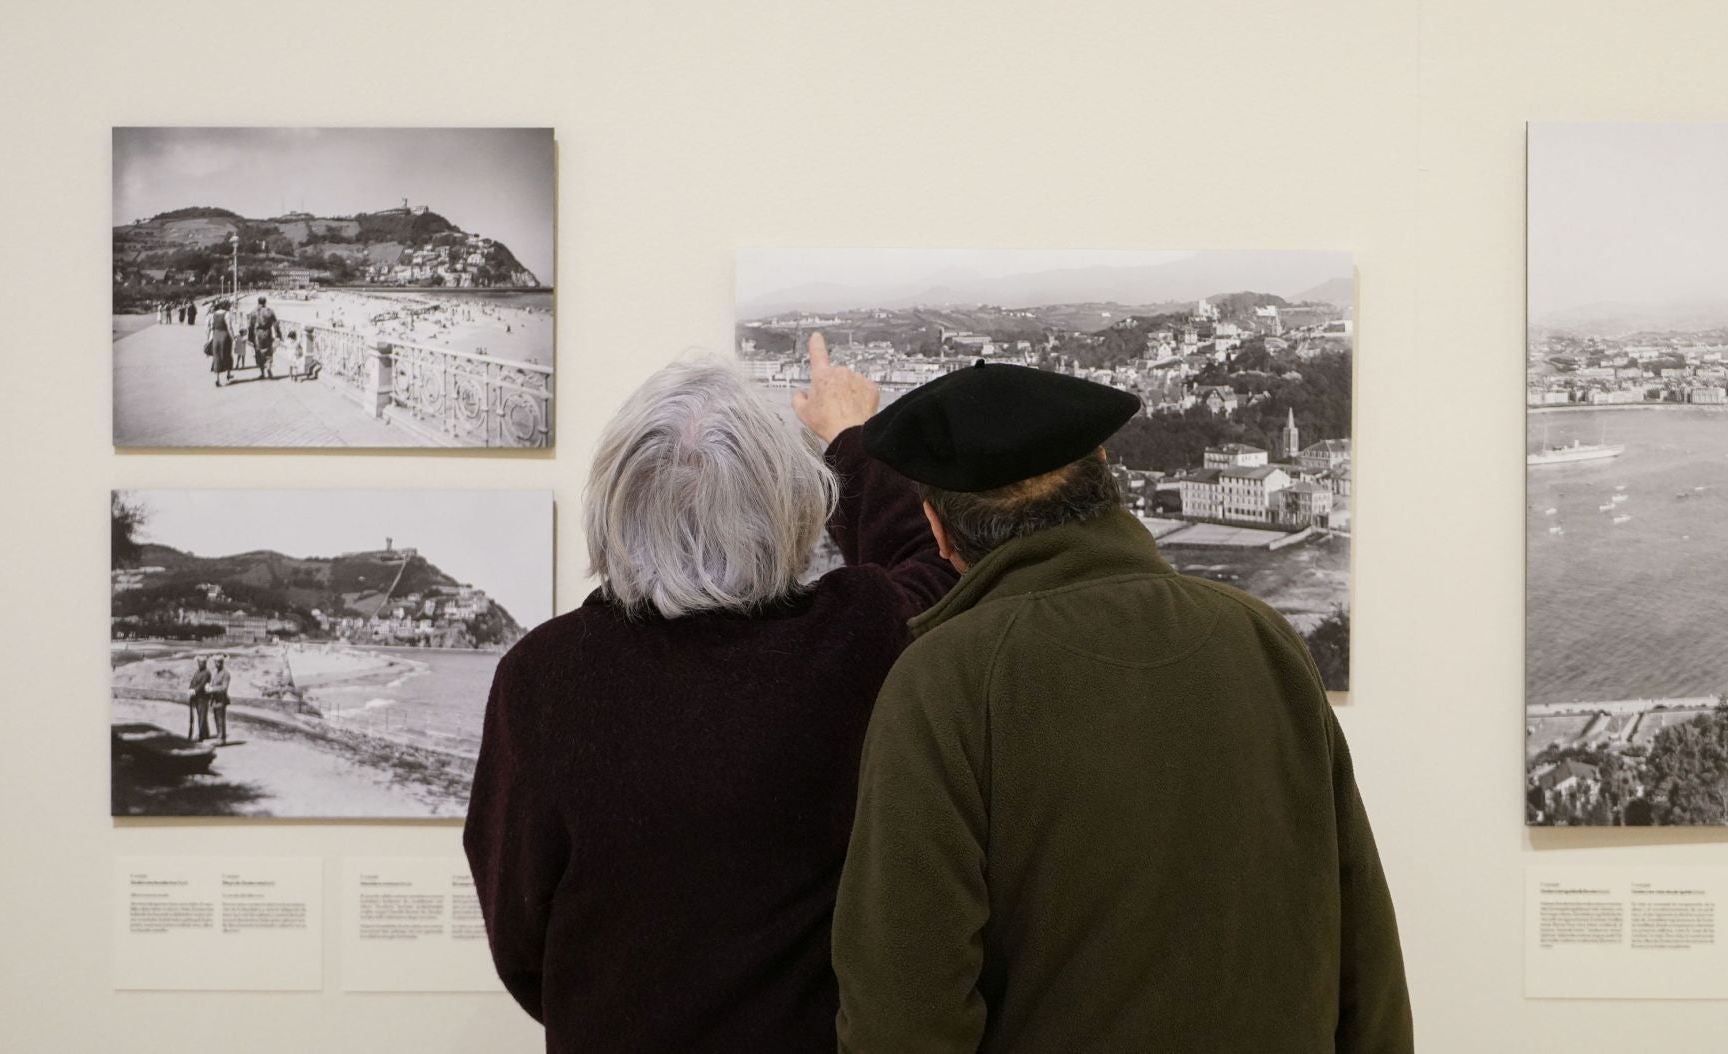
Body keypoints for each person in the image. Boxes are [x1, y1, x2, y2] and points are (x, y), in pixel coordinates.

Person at [831, 362, 1413, 1053]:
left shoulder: (941, 683)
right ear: (1106, 473)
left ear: (939, 529)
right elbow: (1366, 959)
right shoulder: (1263, 639)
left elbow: (902, 1017)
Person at [464, 338, 956, 1052]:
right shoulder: (854, 639)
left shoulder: (539, 677)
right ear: (787, 507)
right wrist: (851, 435)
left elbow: (519, 937)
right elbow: (935, 565)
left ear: (614, 503)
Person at [206, 300, 235, 387]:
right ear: (226, 306)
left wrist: (208, 339)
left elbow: (210, 327)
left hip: (216, 336)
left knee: (217, 356)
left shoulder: (213, 314)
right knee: (227, 355)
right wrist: (233, 337)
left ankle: (217, 379)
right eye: (229, 306)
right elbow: (229, 327)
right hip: (225, 336)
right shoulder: (227, 314)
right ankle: (228, 374)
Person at [204, 655, 231, 744]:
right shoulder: (217, 673)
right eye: (215, 662)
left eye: (218, 662)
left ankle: (222, 739)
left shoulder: (225, 673)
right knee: (216, 718)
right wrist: (209, 686)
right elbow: (214, 683)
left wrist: (212, 689)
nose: (216, 664)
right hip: (215, 700)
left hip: (221, 700)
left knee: (220, 719)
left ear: (222, 663)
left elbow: (224, 688)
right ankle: (219, 737)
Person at [249, 296, 278, 378]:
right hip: (268, 332)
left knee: (259, 353)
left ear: (258, 302)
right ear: (265, 302)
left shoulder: (253, 312)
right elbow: (275, 323)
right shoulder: (270, 311)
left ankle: (262, 372)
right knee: (269, 351)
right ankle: (268, 367)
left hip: (257, 334)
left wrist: (250, 337)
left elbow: (250, 326)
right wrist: (278, 334)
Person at [186, 656, 211, 741]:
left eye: (201, 662)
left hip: (203, 698)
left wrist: (194, 691)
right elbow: (193, 681)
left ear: (204, 663)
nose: (199, 664)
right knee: (201, 716)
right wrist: (190, 688)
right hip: (196, 698)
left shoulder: (207, 673)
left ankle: (201, 735)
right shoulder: (198, 671)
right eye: (199, 662)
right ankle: (206, 733)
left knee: (202, 717)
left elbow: (202, 684)